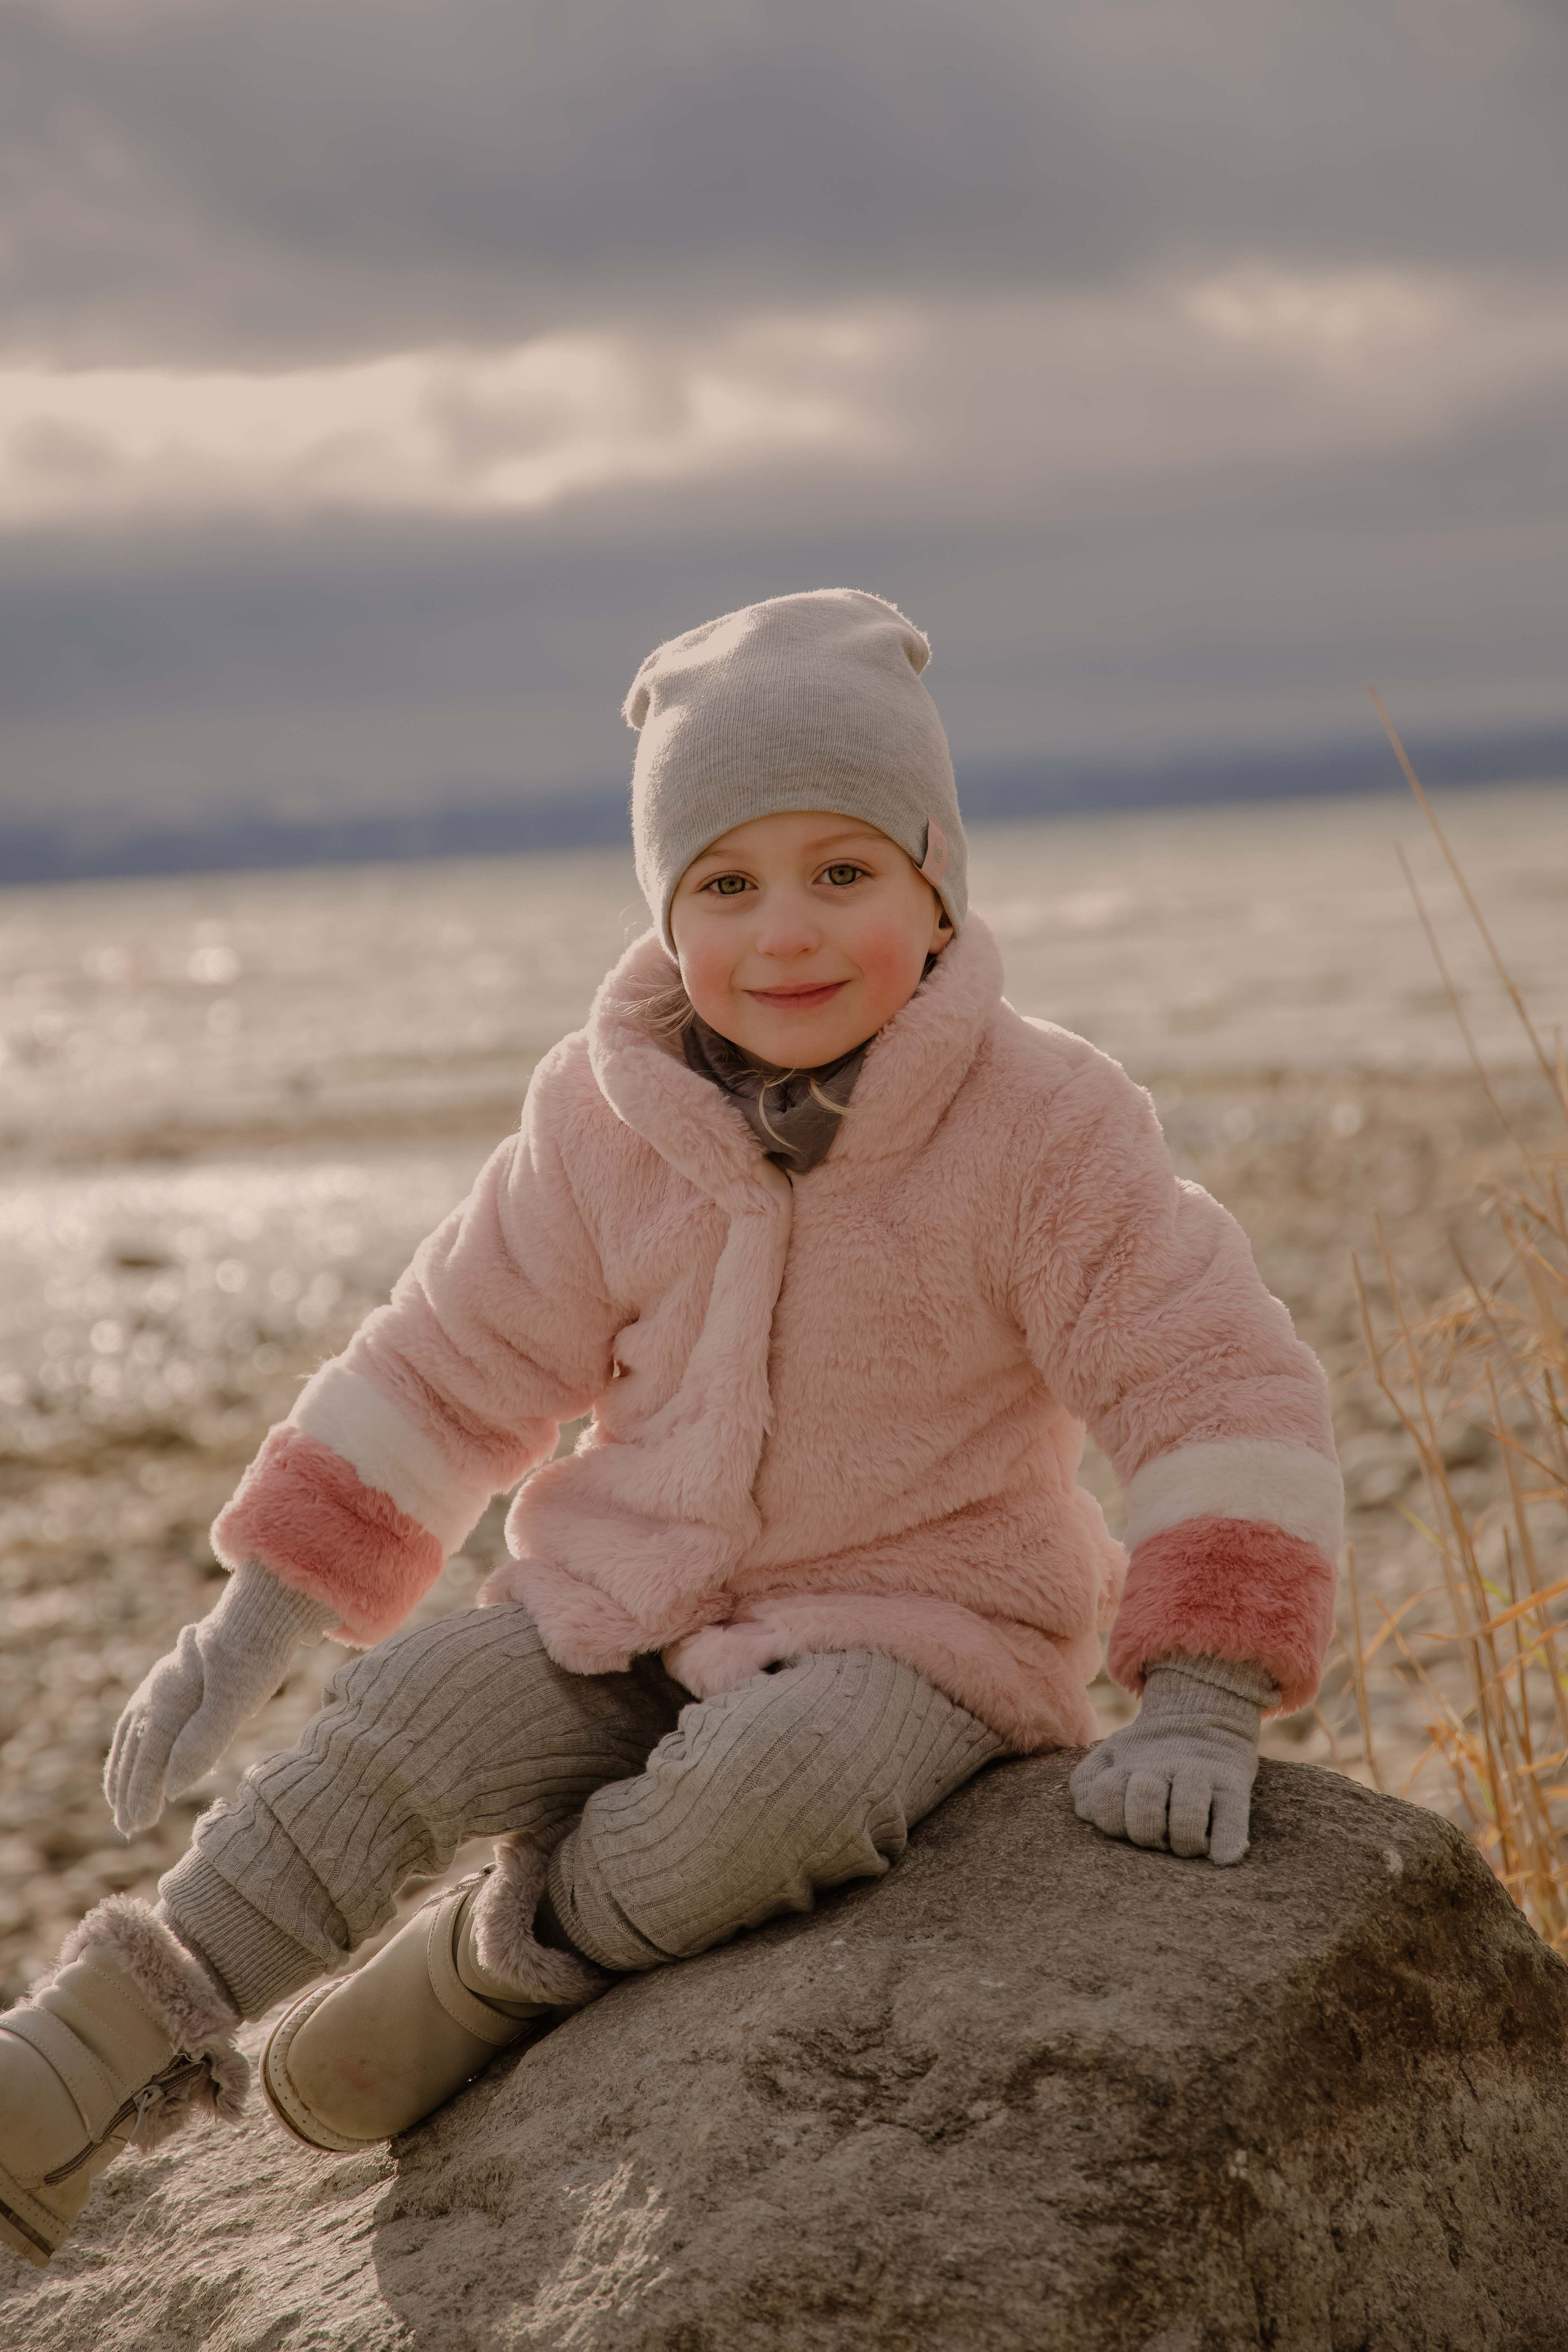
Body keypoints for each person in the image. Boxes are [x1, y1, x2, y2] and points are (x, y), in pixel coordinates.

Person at [0, 589, 1342, 2270]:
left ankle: (498, 1958)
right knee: (404, 1711)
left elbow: (1211, 1377)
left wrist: (1203, 1699)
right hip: (627, 1603)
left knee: (762, 1799)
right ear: (665, 910)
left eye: (843, 873)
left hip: (916, 1635)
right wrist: (261, 1613)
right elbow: (450, 1358)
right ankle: (79, 2063)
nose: (785, 931)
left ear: (936, 892)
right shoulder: (606, 1114)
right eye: (727, 883)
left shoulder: (1044, 1124)